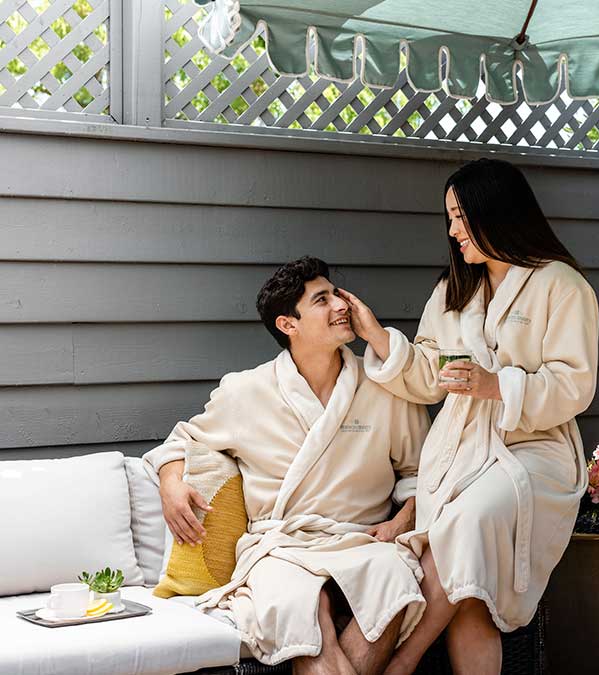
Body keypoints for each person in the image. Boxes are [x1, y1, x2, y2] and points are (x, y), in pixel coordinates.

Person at [342, 158, 599, 674]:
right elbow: (426, 373)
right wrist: (376, 336)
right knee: (472, 596)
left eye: (461, 216)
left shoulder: (561, 285)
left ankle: (404, 661)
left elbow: (575, 384)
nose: (454, 230)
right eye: (451, 219)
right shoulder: (453, 290)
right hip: (461, 450)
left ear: (495, 212)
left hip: (535, 448)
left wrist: (496, 386)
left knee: (469, 520)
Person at [142, 257, 431, 675]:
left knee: (393, 585)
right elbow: (183, 439)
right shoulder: (246, 391)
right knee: (302, 604)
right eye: (321, 300)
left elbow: (421, 473)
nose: (340, 305)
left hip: (362, 541)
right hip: (280, 546)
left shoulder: (383, 388)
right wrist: (171, 483)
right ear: (288, 325)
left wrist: (403, 520)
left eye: (335, 293)